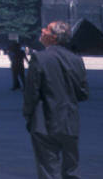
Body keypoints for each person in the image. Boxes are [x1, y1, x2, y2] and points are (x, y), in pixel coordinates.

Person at [23, 20, 89, 179]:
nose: (42, 31)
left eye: (46, 29)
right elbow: (83, 93)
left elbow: (31, 93)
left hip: (44, 122)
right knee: (72, 170)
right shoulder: (76, 60)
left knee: (48, 170)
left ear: (54, 37)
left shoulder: (39, 58)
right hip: (70, 122)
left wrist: (28, 116)